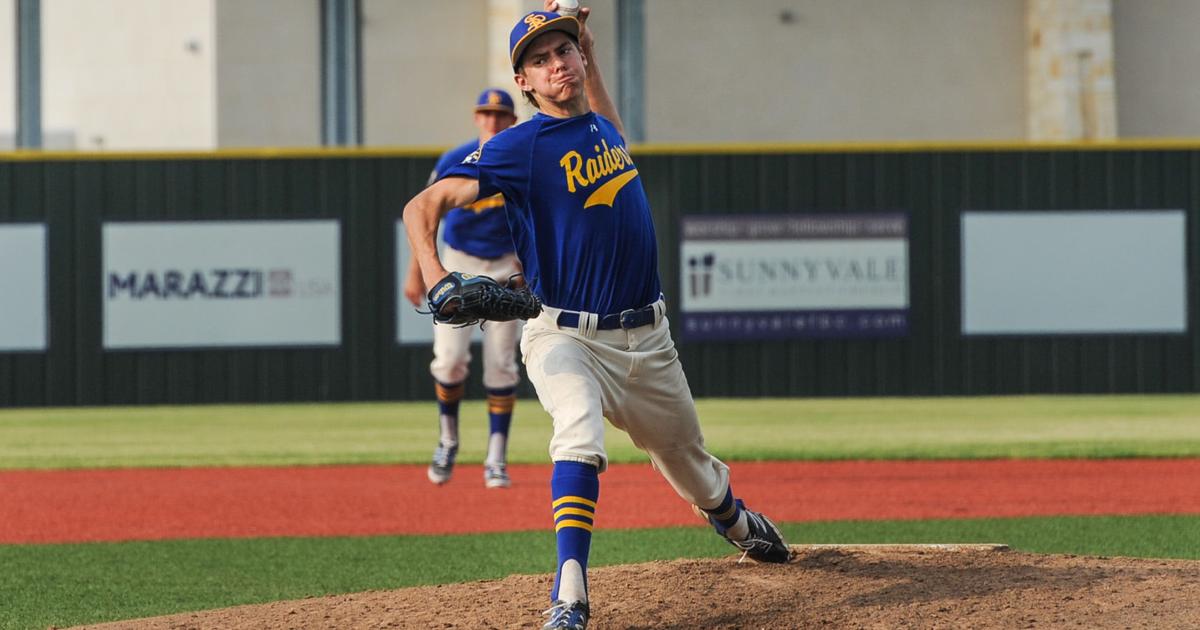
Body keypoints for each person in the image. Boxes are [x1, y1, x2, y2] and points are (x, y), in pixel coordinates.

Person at [402, 5, 791, 628]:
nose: (557, 64)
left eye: (564, 52)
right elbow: (423, 204)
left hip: (649, 339)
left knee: (691, 465)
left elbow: (600, 107)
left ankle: (733, 519)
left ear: (581, 57)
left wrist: (586, 38)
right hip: (564, 333)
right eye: (540, 59)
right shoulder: (519, 146)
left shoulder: (604, 130)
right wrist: (436, 273)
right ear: (523, 81)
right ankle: (571, 591)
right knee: (578, 430)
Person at [403, 88, 522, 490]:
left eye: (500, 114)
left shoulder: (521, 160)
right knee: (449, 361)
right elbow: (425, 216)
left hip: (506, 265)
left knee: (501, 364)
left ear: (512, 120)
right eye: (486, 114)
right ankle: (448, 440)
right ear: (476, 118)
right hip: (458, 265)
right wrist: (418, 271)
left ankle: (496, 458)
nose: (492, 121)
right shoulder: (455, 159)